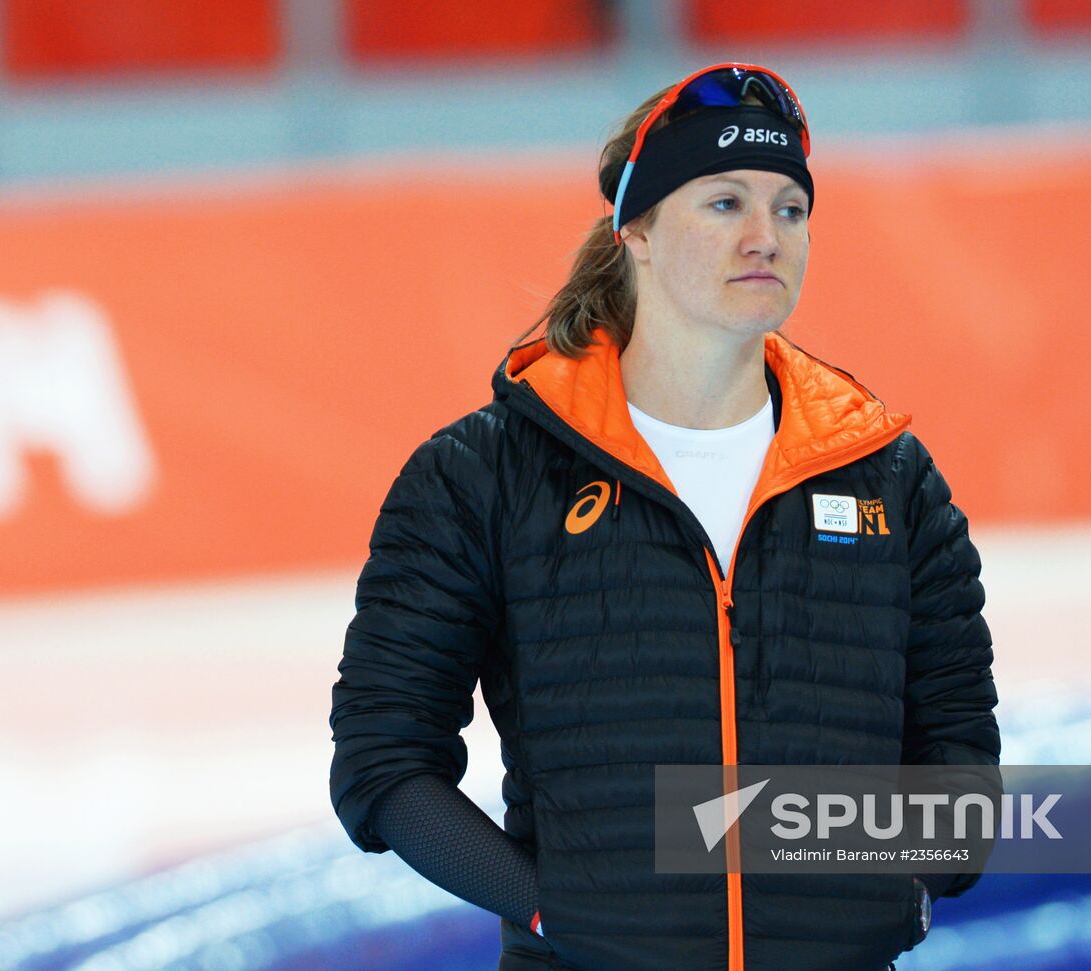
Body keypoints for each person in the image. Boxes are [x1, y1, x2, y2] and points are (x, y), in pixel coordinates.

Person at [330, 63, 1000, 971]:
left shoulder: (888, 477)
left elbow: (959, 769)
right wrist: (549, 911)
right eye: (724, 203)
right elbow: (384, 761)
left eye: (791, 209)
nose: (766, 235)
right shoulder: (483, 475)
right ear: (635, 229)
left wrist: (875, 896)